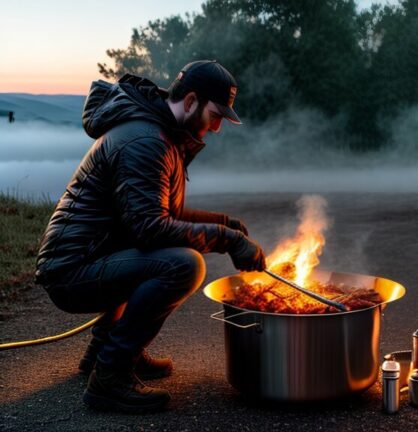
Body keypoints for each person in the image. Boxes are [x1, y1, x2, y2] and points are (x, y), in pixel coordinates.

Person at [35, 60, 266, 412]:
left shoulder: (159, 134)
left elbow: (156, 213)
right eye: (216, 114)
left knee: (161, 255)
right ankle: (110, 377)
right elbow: (150, 229)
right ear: (191, 101)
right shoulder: (146, 140)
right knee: (183, 265)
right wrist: (228, 241)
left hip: (90, 258)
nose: (218, 127)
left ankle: (100, 354)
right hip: (71, 272)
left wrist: (223, 223)